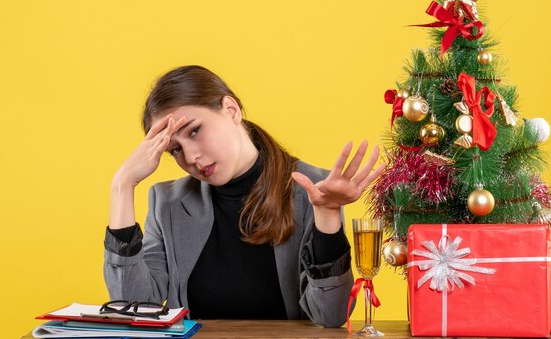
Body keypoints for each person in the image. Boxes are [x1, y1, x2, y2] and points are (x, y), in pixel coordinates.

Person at [103, 65, 385, 328]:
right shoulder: (167, 203)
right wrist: (122, 186)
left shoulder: (312, 189)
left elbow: (331, 316)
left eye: (195, 131)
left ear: (231, 109)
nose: (190, 156)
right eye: (174, 149)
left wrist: (328, 217)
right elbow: (134, 306)